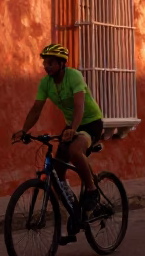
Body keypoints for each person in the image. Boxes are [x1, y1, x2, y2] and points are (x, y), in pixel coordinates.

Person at [14, 44, 104, 216]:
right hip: (72, 126)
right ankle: (75, 211)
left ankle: (92, 190)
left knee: (75, 151)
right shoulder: (45, 83)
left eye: (51, 63)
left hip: (91, 122)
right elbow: (36, 109)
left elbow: (79, 107)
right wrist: (24, 130)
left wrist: (73, 129)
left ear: (62, 64)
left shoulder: (74, 76)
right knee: (56, 170)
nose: (46, 66)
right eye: (45, 63)